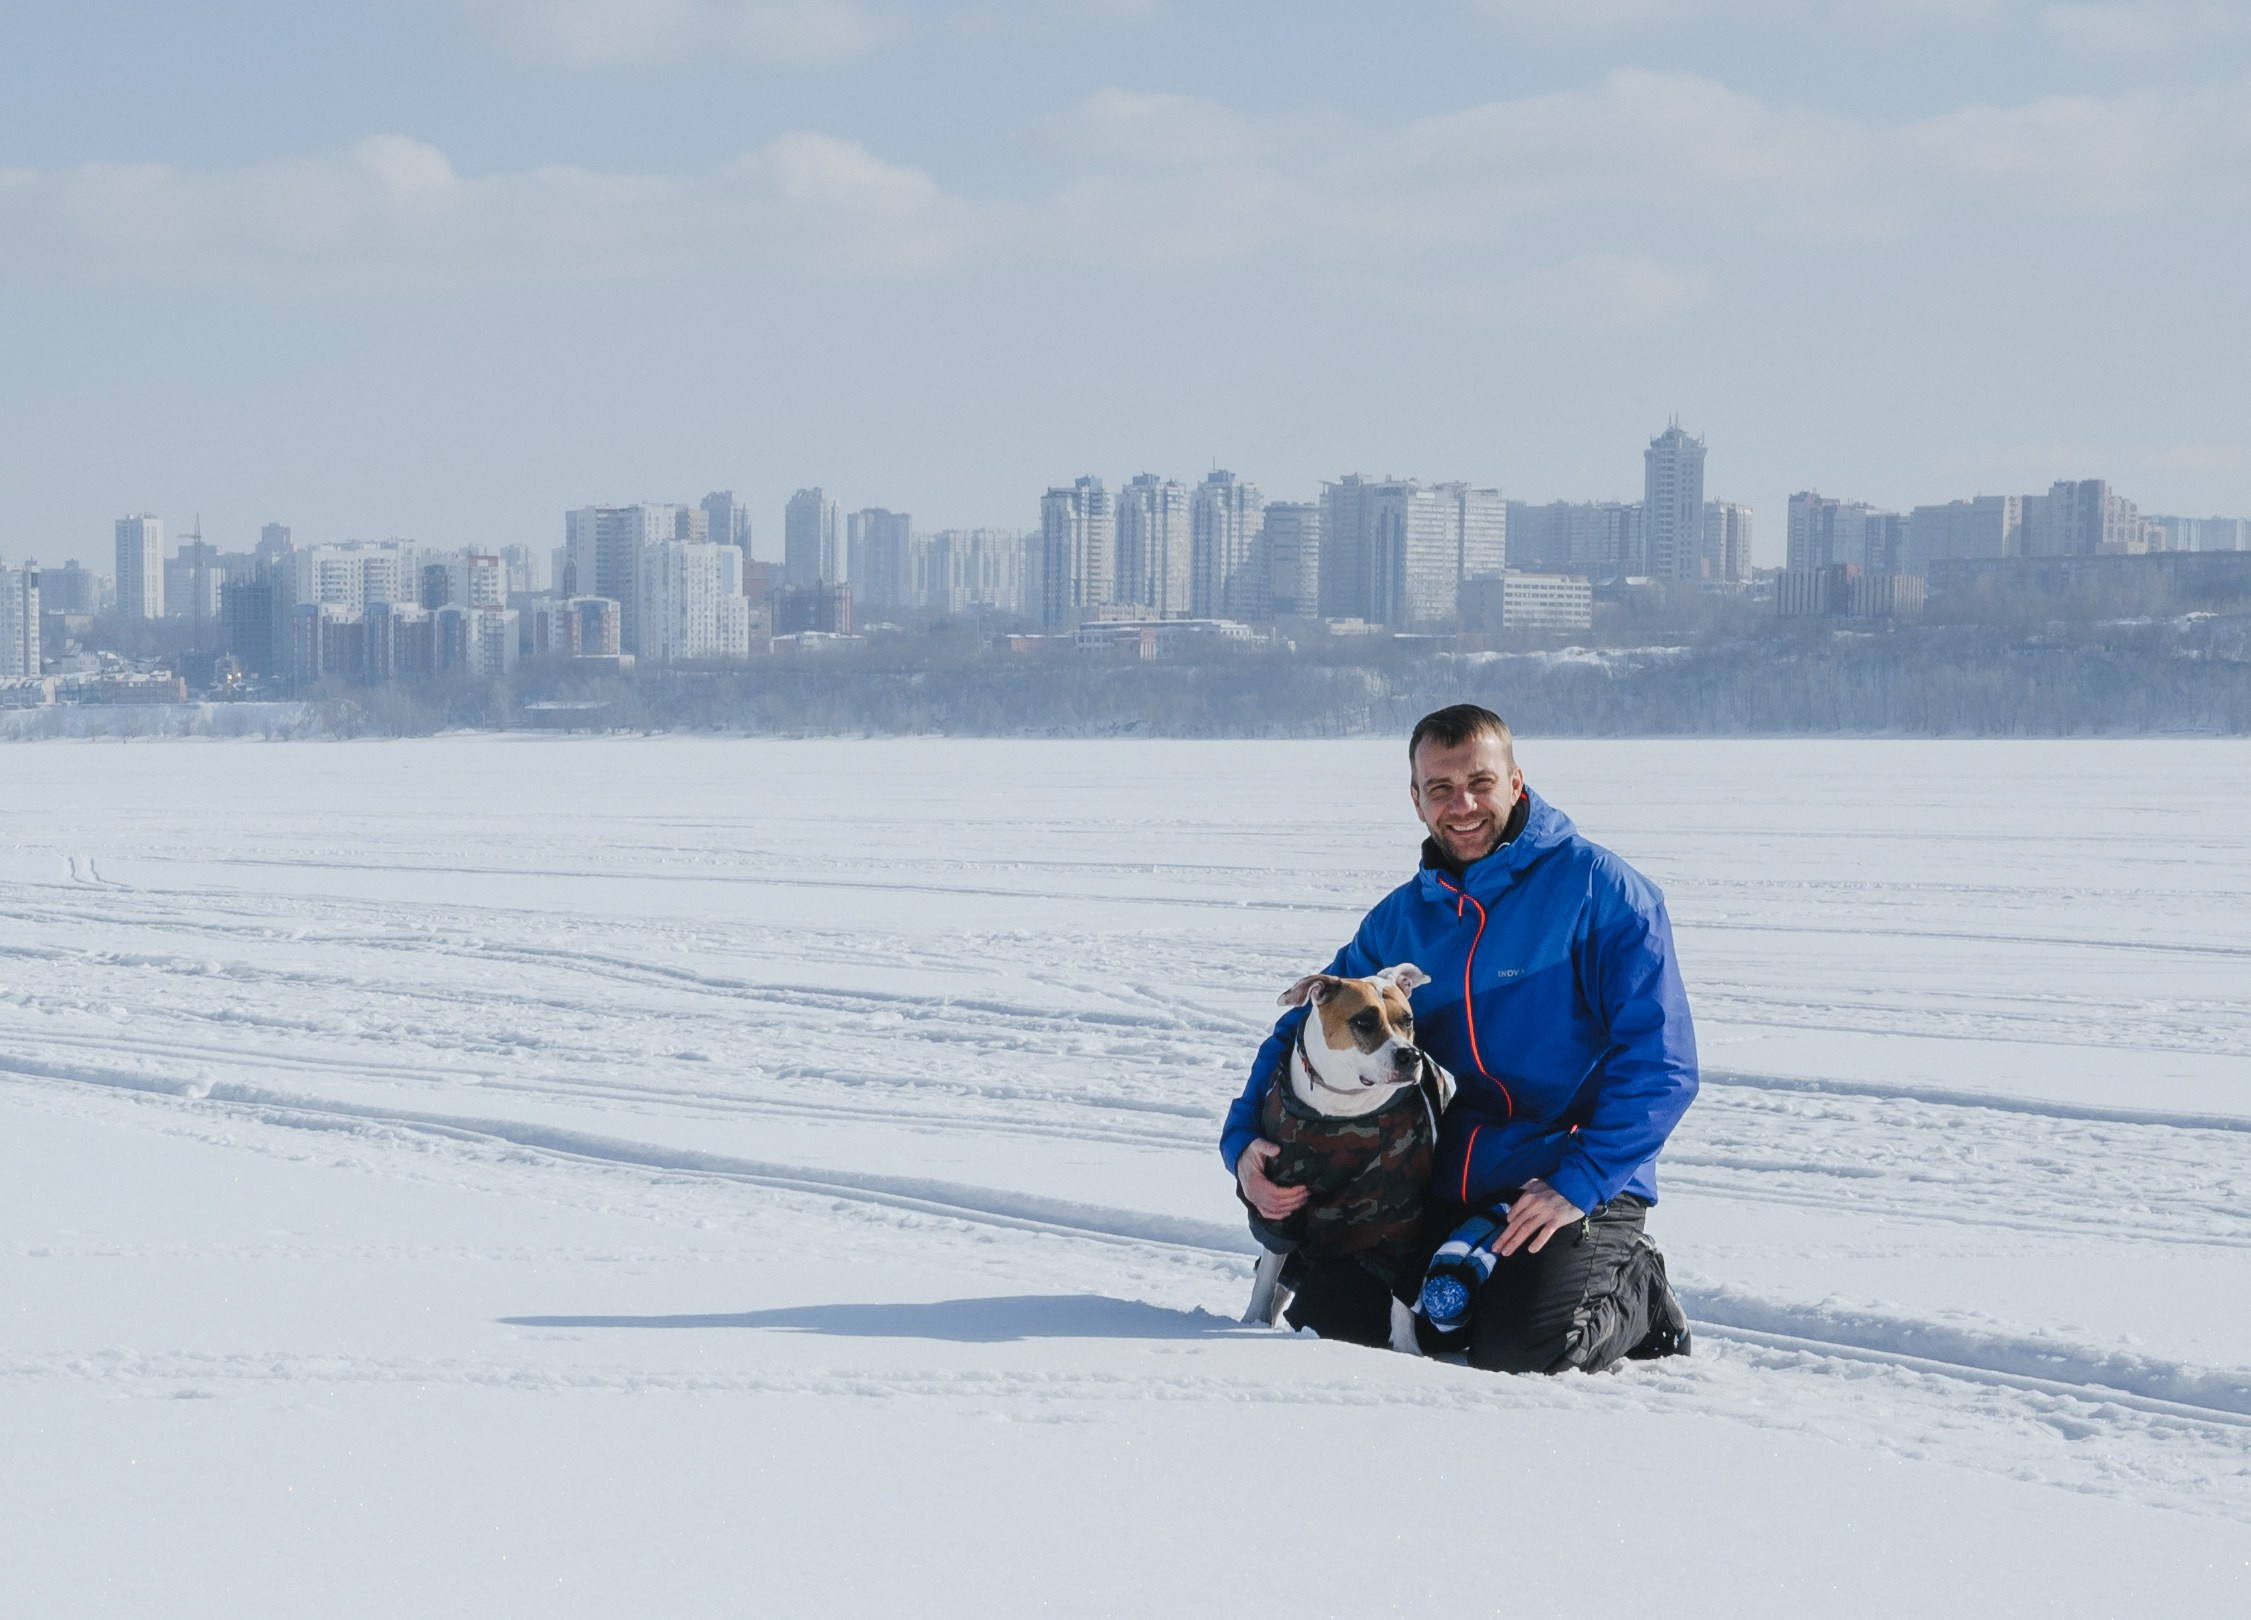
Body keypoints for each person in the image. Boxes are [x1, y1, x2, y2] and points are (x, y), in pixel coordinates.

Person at [1221, 704, 1696, 1372]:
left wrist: (1580, 1181)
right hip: (1439, 1176)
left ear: (1515, 782)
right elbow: (1298, 1035)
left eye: (1479, 782)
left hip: (1571, 1174)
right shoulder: (1401, 919)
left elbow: (1662, 1067)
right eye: (1439, 789)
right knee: (1333, 1324)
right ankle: (1491, 1278)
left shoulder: (1603, 893)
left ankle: (1636, 1287)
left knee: (1524, 1348)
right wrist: (1241, 1142)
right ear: (1415, 801)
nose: (1462, 804)